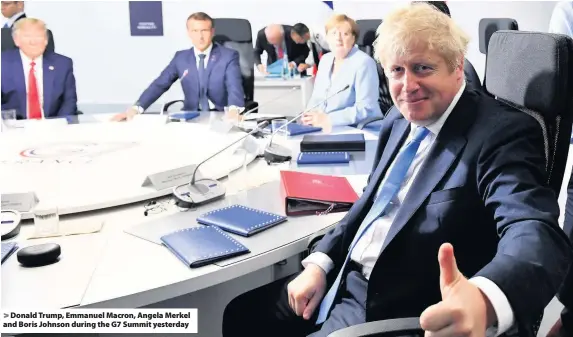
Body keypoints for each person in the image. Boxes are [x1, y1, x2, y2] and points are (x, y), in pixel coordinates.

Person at [222, 3, 571, 337]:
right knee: (239, 314)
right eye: (397, 71)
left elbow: (534, 231)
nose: (408, 86)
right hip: (342, 276)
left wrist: (483, 297)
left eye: (423, 68)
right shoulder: (397, 121)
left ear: (456, 64)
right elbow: (367, 208)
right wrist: (320, 263)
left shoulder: (500, 132)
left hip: (394, 304)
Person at [112, 12, 244, 121]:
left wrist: (233, 110)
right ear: (188, 32)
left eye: (204, 30)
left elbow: (234, 85)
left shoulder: (228, 56)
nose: (200, 36)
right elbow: (160, 84)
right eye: (195, 31)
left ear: (212, 32)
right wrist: (136, 108)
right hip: (190, 116)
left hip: (221, 115)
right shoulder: (181, 58)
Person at [300, 14, 382, 129]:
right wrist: (309, 115)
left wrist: (328, 119)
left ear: (353, 38)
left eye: (345, 34)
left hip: (357, 129)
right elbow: (316, 98)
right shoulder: (325, 60)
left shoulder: (364, 63)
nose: (338, 38)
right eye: (333, 33)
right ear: (327, 37)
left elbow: (366, 108)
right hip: (325, 128)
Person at [1, 18, 77, 119]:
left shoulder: (62, 64)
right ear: (16, 40)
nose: (33, 42)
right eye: (27, 36)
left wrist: (59, 127)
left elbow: (69, 102)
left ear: (46, 40)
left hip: (52, 127)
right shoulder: (3, 63)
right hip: (12, 129)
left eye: (38, 36)